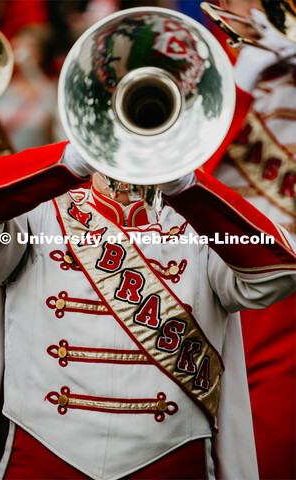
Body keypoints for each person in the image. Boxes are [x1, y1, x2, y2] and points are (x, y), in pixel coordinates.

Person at [0, 7, 295, 480]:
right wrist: (69, 161)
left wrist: (188, 183)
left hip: (172, 463)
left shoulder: (200, 222)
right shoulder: (41, 208)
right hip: (42, 461)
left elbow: (276, 274)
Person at [203, 2, 296, 478]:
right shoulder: (199, 53)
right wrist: (239, 84)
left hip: (287, 301)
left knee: (271, 452)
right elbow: (173, 176)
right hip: (207, 281)